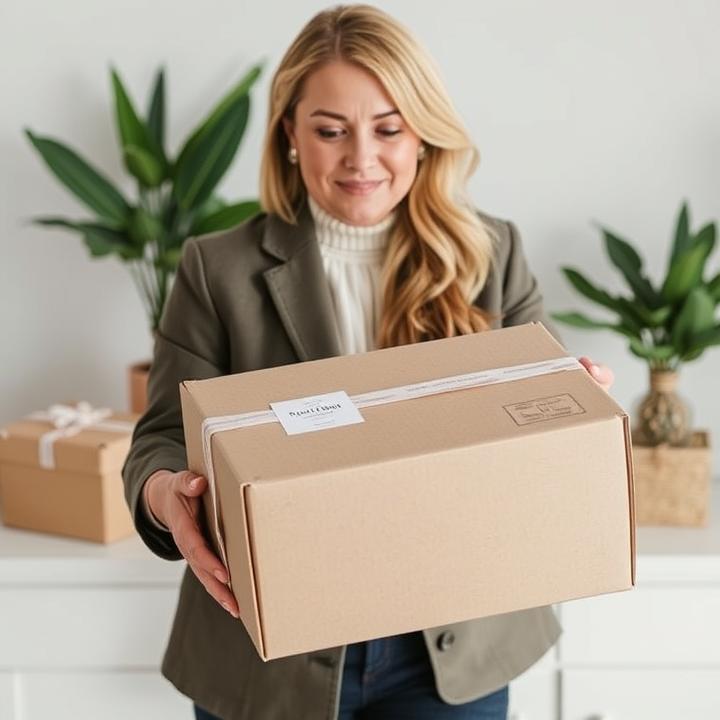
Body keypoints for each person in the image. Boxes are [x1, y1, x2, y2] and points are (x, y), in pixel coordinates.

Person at [122, 5, 615, 720]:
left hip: (454, 644)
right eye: (330, 131)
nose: (361, 159)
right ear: (289, 134)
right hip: (268, 654)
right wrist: (166, 492)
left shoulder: (491, 255)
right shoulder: (215, 269)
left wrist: (573, 414)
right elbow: (160, 440)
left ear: (424, 135)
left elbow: (532, 428)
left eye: (388, 128)